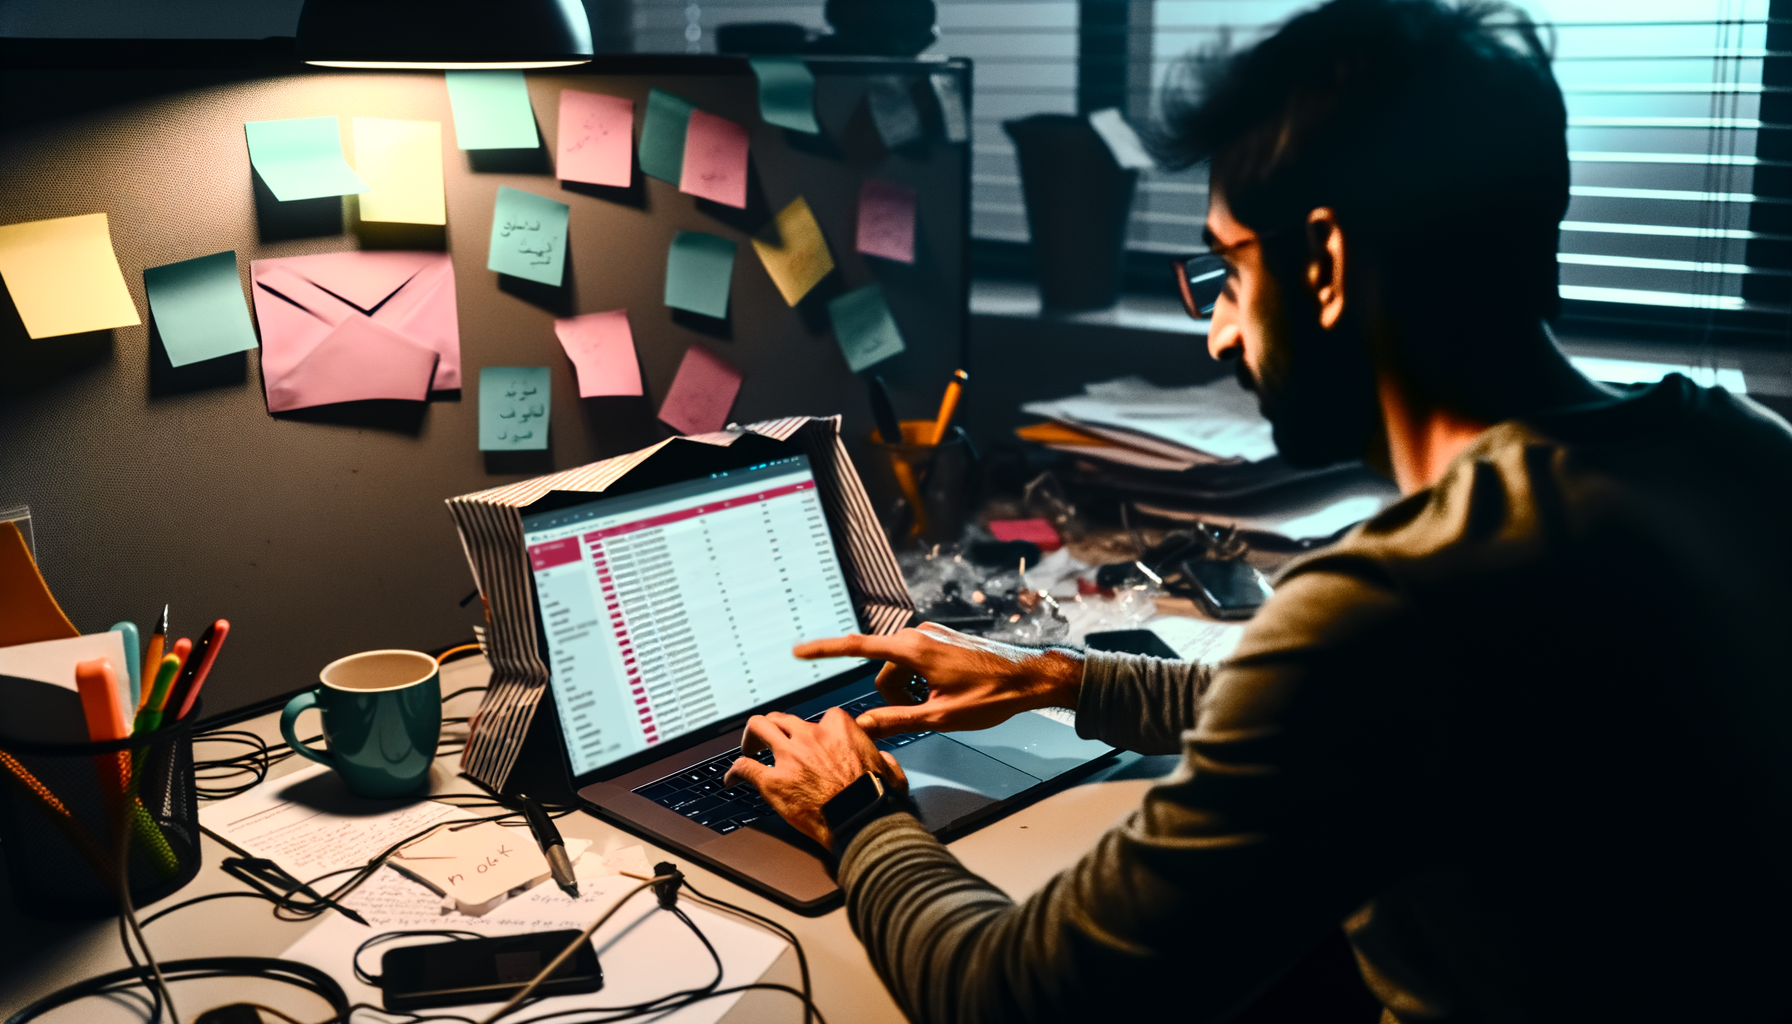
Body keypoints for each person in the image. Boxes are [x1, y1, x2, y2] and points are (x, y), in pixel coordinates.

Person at [722, 0, 1792, 1019]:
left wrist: (857, 811)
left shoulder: (1394, 602)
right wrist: (1062, 678)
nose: (1220, 335)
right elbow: (1397, 711)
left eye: (1228, 271)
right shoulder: (1740, 451)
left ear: (1322, 265)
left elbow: (1017, 997)